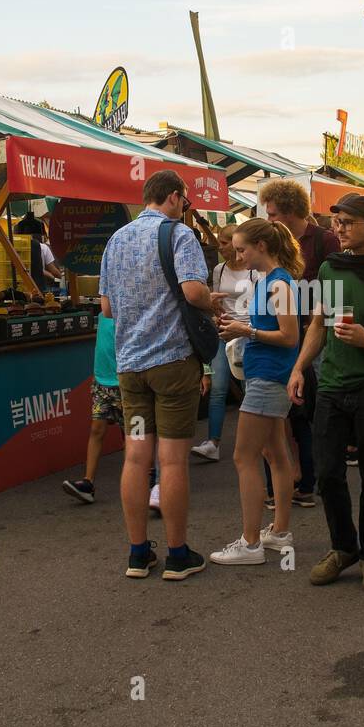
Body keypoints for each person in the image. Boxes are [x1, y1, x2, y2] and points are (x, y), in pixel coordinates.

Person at [99, 170, 222, 581]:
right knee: (172, 462)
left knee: (136, 456)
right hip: (172, 367)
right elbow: (192, 293)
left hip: (130, 369)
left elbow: (107, 309)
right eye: (185, 202)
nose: (185, 209)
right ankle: (177, 554)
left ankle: (137, 554)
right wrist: (212, 300)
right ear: (174, 197)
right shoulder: (179, 236)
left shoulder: (116, 240)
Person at [292, 193, 364, 592]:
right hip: (331, 386)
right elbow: (319, 324)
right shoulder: (330, 269)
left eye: (347, 222)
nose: (338, 229)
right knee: (327, 474)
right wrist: (299, 367)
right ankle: (343, 547)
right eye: (336, 222)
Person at [209, 219, 302, 565]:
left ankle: (250, 544)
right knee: (275, 455)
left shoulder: (278, 284)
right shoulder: (272, 281)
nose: (238, 255)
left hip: (267, 377)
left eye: (242, 249)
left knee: (243, 457)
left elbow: (290, 336)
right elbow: (278, 331)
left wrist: (245, 332)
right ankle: (278, 532)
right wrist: (243, 328)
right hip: (267, 376)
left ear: (261, 246)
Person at [260, 177, 337, 505]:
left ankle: (318, 476)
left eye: (274, 213)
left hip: (314, 336)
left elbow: (335, 291)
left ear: (291, 211)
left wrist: (317, 323)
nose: (270, 219)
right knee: (290, 410)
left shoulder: (324, 240)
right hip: (284, 338)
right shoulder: (274, 243)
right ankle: (294, 479)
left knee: (316, 406)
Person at [192, 223, 256, 462]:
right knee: (218, 389)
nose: (221, 247)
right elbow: (215, 301)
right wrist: (215, 311)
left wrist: (247, 328)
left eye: (225, 243)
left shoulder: (253, 270)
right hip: (224, 332)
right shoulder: (219, 270)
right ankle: (213, 442)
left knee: (250, 388)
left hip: (248, 332)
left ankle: (252, 442)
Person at [63, 310, 122, 504]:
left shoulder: (128, 310)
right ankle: (88, 483)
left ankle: (145, 479)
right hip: (101, 383)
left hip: (126, 383)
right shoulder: (103, 313)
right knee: (97, 429)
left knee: (133, 437)